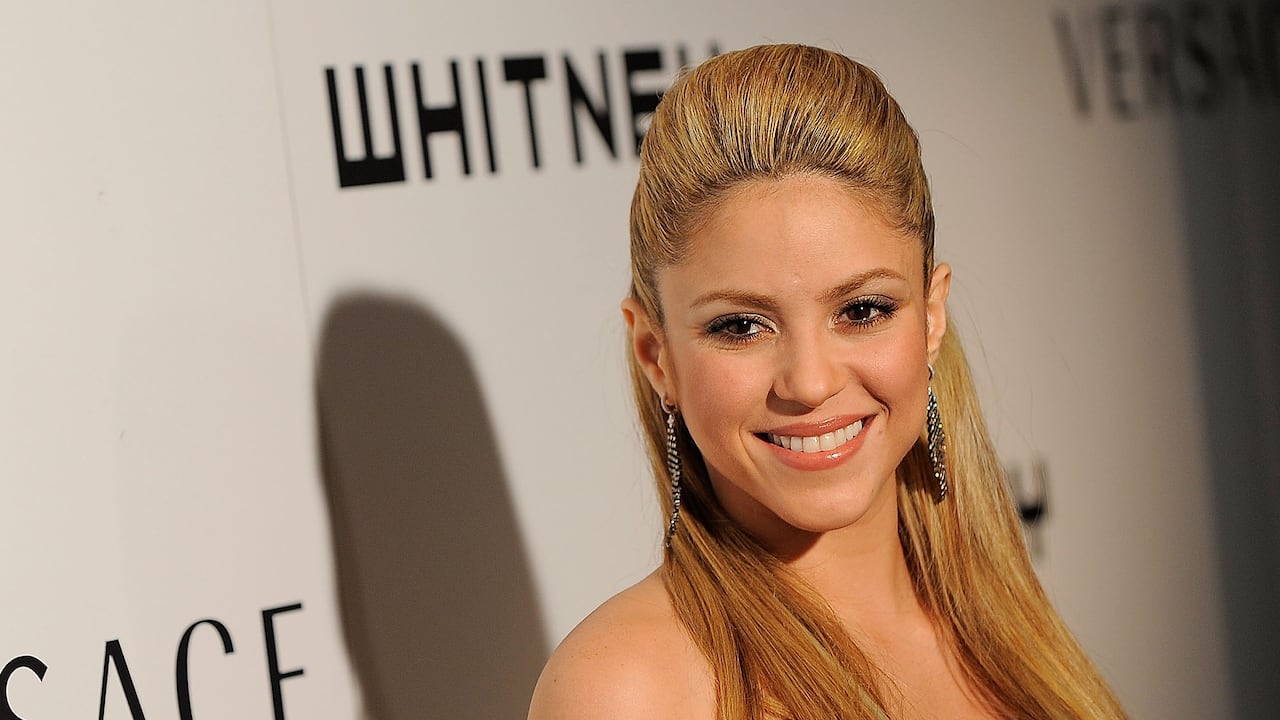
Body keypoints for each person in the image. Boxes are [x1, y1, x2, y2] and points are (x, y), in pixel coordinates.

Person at [528, 44, 1127, 720]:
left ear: (931, 318)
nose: (810, 383)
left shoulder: (1006, 632)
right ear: (655, 354)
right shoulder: (629, 691)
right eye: (741, 326)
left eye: (862, 311)